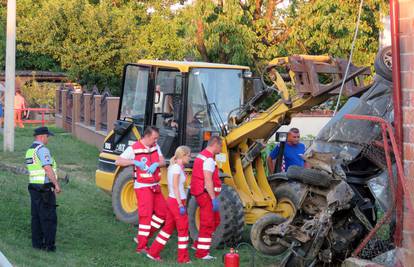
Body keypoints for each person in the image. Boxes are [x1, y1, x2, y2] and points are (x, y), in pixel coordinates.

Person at [115, 126, 167, 253]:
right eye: (154, 138)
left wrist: (156, 164)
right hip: (143, 187)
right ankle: (142, 247)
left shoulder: (155, 146)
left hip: (155, 185)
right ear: (147, 136)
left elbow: (163, 161)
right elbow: (118, 161)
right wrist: (134, 162)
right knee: (146, 217)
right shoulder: (134, 148)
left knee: (163, 213)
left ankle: (143, 236)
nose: (156, 141)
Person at [147, 146, 192, 263]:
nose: (190, 158)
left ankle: (153, 252)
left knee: (167, 228)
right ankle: (183, 258)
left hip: (172, 200)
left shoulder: (174, 167)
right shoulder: (177, 168)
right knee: (183, 229)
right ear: (183, 155)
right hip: (177, 202)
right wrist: (180, 205)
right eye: (189, 155)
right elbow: (176, 187)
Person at [25, 126, 61, 252]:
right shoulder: (42, 149)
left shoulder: (30, 150)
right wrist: (56, 184)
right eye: (47, 136)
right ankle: (49, 246)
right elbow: (47, 168)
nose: (48, 139)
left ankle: (37, 244)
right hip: (44, 188)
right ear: (42, 137)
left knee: (36, 216)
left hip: (34, 187)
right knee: (48, 218)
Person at [190, 136, 222, 260]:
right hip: (206, 195)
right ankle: (202, 253)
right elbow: (208, 181)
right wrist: (213, 198)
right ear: (215, 144)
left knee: (215, 220)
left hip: (203, 193)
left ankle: (198, 245)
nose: (221, 149)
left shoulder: (202, 156)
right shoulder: (208, 160)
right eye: (220, 146)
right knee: (207, 223)